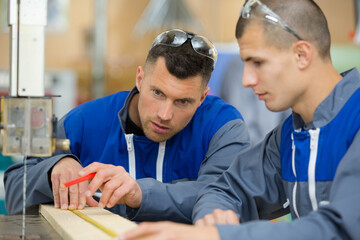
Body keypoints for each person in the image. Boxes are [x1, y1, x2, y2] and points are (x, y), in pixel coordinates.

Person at [117, 0, 360, 239]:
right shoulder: (289, 137)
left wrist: (217, 235)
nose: (246, 80)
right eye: (245, 63)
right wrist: (213, 215)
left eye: (258, 62)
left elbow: (342, 228)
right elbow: (224, 188)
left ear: (302, 54)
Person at [4, 29, 251, 223]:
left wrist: (138, 194)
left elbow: (229, 198)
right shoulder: (86, 121)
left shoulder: (223, 126)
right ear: (140, 78)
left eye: (183, 101)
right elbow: (15, 188)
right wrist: (54, 167)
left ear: (203, 97)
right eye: (157, 93)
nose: (165, 114)